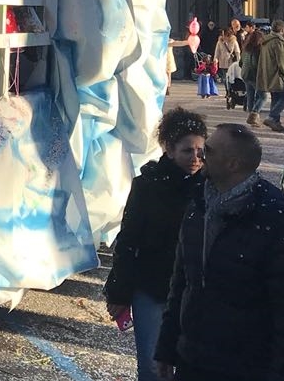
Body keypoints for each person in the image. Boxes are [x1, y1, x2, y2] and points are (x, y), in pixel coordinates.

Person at [155, 123, 284, 381]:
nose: (200, 156)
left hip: (246, 367)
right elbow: (183, 282)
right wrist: (167, 348)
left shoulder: (278, 220)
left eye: (209, 150)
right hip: (193, 360)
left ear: (232, 164)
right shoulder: (199, 205)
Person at [103, 108, 206, 381]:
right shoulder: (148, 185)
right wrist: (119, 291)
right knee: (151, 364)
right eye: (187, 151)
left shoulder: (210, 188)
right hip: (152, 285)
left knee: (192, 363)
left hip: (195, 290)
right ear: (169, 150)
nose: (195, 158)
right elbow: (128, 239)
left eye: (200, 151)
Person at [256, 20, 284, 132]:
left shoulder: (266, 40)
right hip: (278, 76)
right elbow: (282, 62)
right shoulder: (278, 42)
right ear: (282, 29)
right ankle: (272, 117)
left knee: (276, 98)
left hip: (268, 74)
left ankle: (276, 123)